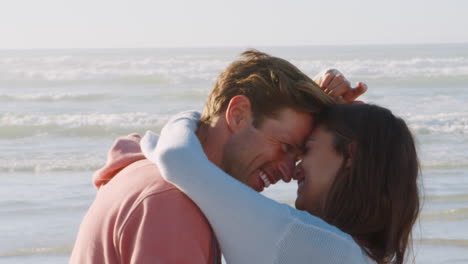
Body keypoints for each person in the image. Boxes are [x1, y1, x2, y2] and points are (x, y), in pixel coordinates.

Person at [70, 50, 366, 263]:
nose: (289, 172)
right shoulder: (171, 204)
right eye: (285, 147)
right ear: (238, 115)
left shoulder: (152, 175)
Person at [142, 104, 420, 264]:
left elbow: (178, 158)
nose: (293, 172)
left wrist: (192, 118)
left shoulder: (317, 245)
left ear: (351, 154)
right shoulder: (360, 256)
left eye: (307, 150)